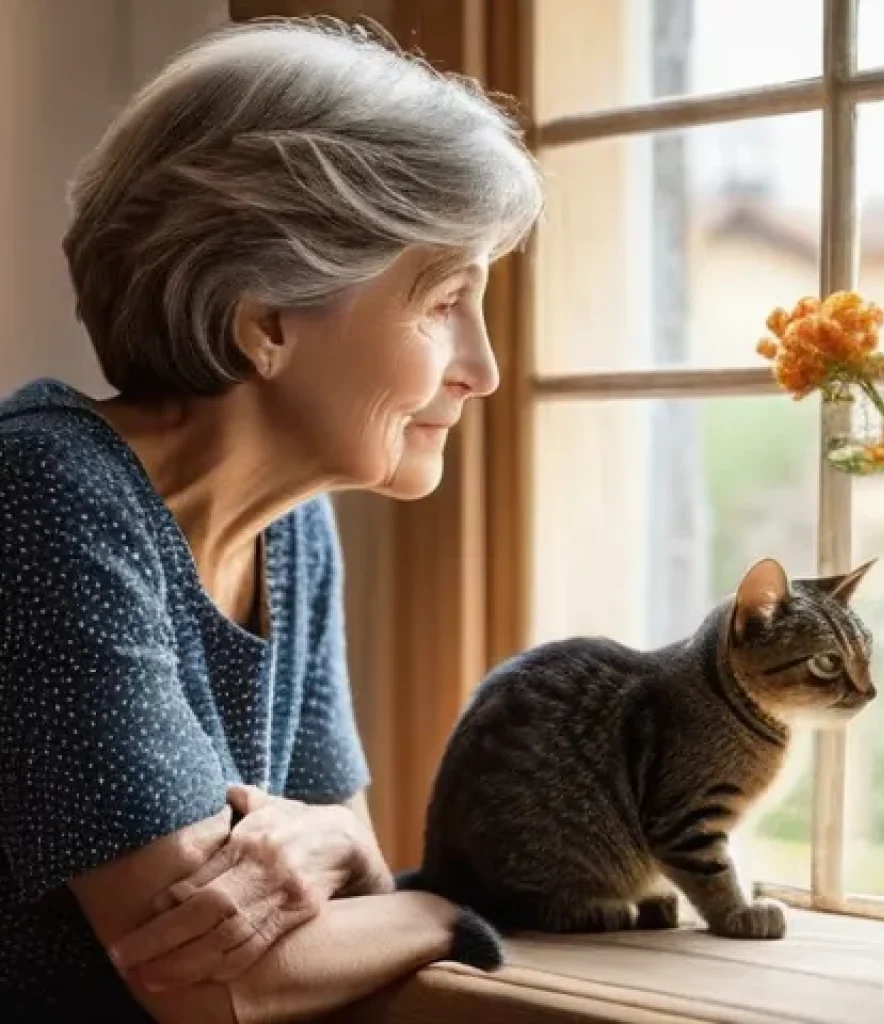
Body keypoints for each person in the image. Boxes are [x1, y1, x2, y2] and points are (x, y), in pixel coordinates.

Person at [0, 16, 542, 1023]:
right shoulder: (44, 494)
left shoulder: (290, 527)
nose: (483, 369)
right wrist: (441, 909)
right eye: (443, 302)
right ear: (266, 321)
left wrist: (348, 851)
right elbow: (215, 983)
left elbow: (339, 869)